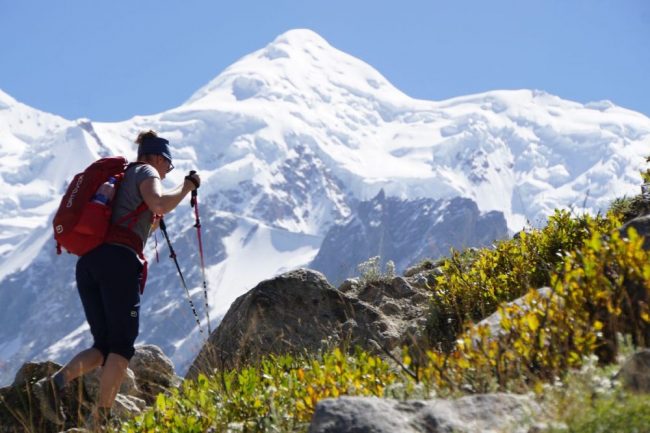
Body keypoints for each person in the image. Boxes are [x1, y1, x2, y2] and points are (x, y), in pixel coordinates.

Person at [34, 130, 200, 428]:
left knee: (103, 346)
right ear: (157, 157)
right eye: (168, 165)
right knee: (121, 348)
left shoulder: (120, 179)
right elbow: (159, 204)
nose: (166, 171)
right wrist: (186, 187)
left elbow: (139, 217)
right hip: (118, 263)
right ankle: (101, 420)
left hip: (90, 263)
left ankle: (54, 383)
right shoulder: (146, 171)